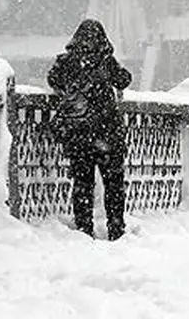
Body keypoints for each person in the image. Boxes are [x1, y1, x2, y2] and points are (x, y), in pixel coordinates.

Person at [47, 19, 133, 241]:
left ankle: (84, 229)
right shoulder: (106, 62)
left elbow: (53, 80)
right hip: (107, 134)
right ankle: (116, 227)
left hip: (79, 135)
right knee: (113, 184)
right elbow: (124, 80)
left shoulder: (67, 61)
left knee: (82, 184)